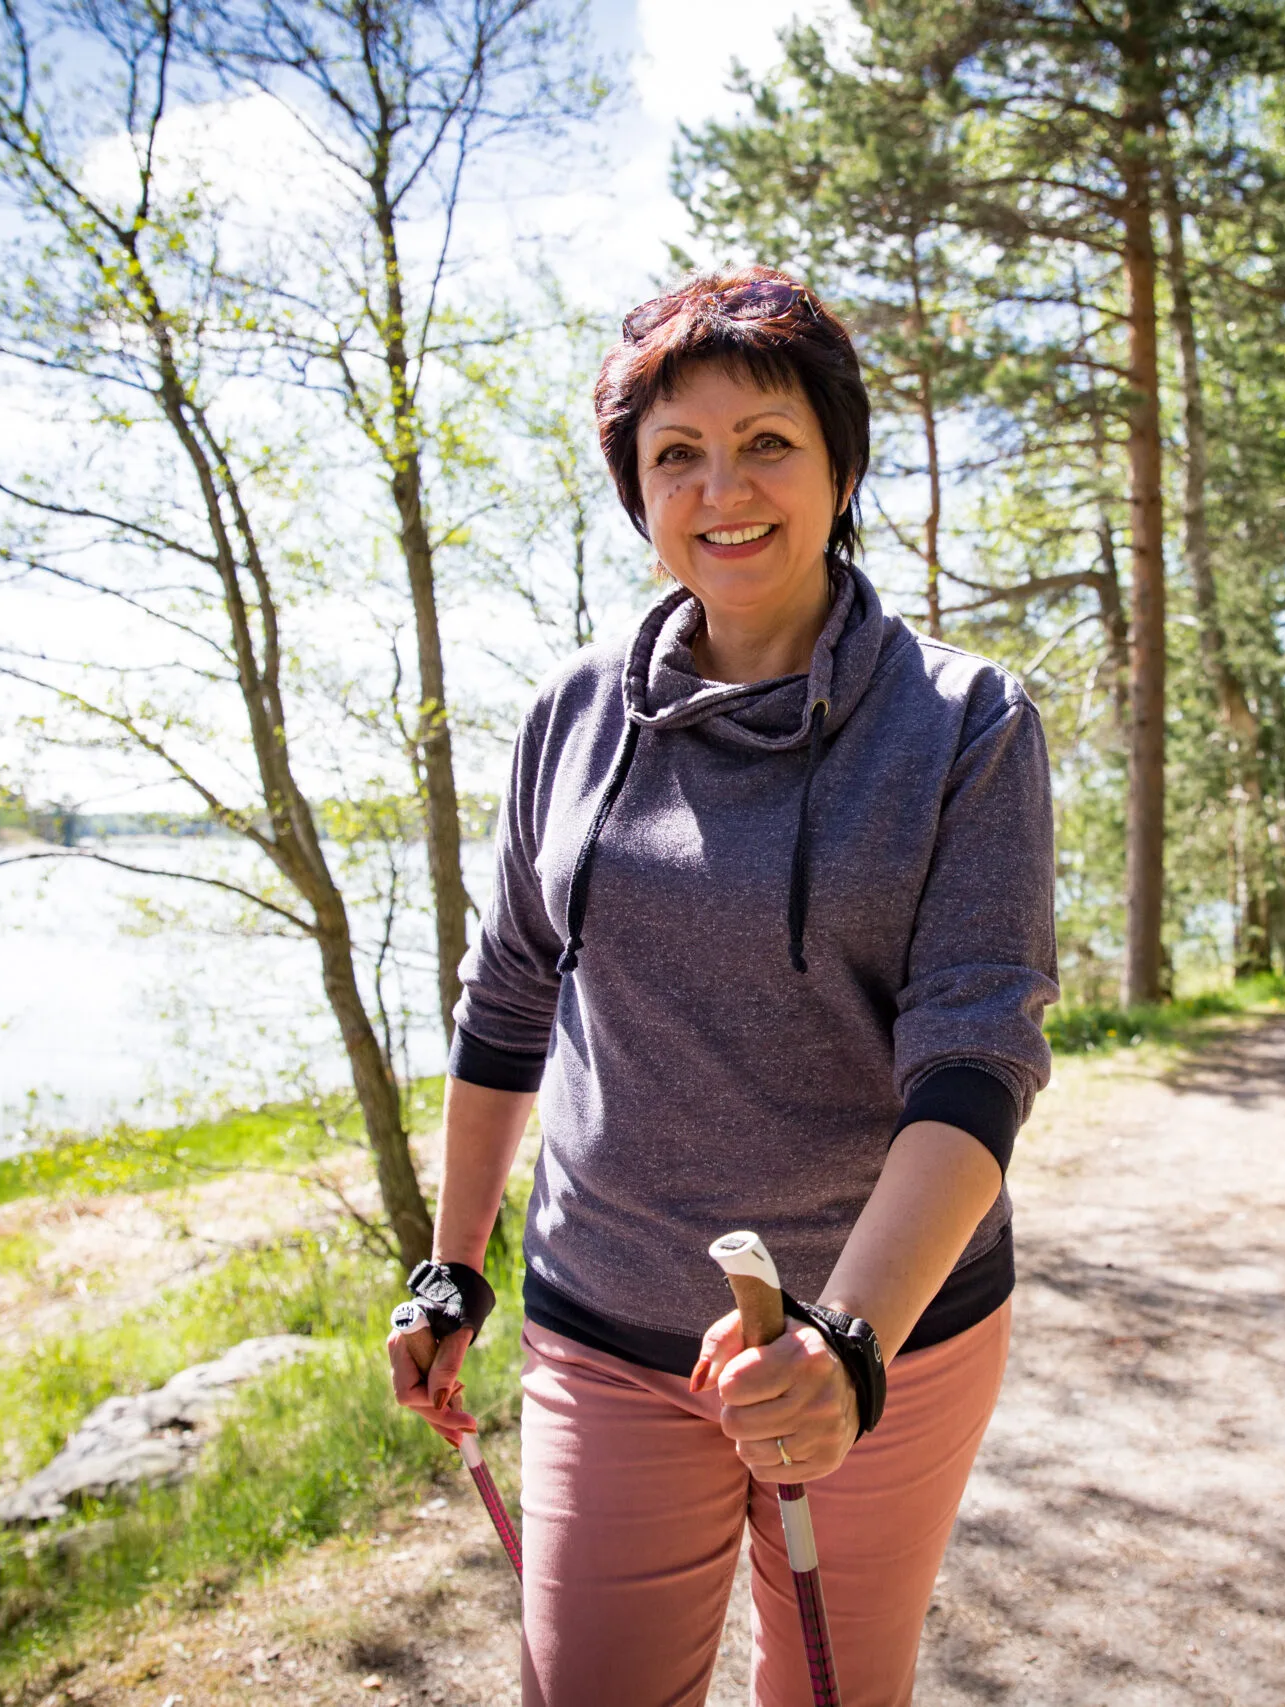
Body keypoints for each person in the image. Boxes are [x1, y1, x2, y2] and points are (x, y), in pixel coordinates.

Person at [383, 265, 1058, 1707]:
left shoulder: (964, 721)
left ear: (841, 464)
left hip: (888, 1340)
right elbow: (505, 1002)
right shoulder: (569, 718)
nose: (722, 487)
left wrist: (847, 1343)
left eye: (767, 441)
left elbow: (975, 1062)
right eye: (675, 453)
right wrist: (453, 1262)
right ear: (637, 489)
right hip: (605, 1323)